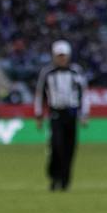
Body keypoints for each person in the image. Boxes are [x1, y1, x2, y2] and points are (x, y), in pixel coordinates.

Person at [33, 40, 89, 191]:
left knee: (70, 148)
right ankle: (54, 176)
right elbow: (39, 95)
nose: (62, 59)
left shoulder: (76, 72)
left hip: (71, 114)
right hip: (55, 113)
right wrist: (38, 115)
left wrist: (84, 114)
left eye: (64, 56)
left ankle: (65, 180)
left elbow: (84, 94)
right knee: (56, 146)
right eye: (59, 56)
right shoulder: (47, 73)